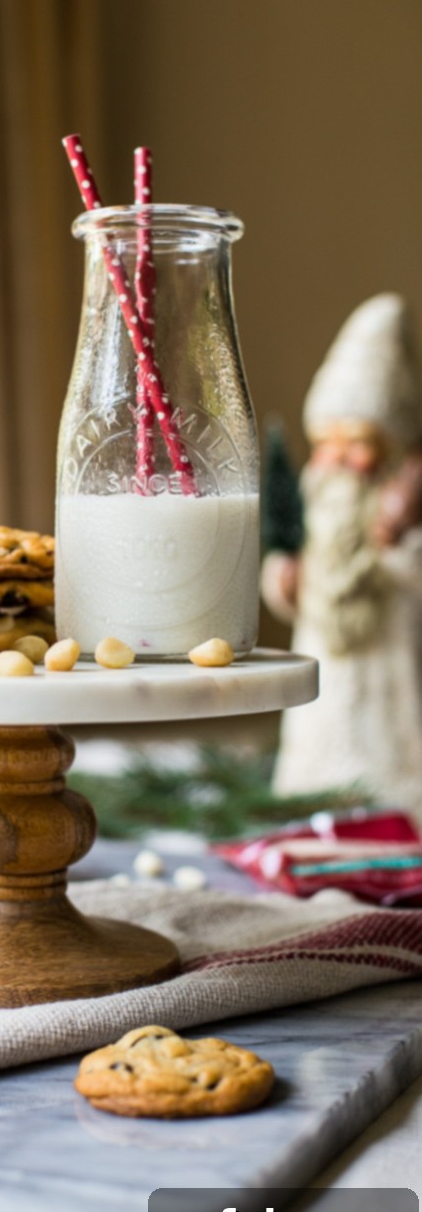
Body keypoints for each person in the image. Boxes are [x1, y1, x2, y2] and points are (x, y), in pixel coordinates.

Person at [262, 294, 422, 819]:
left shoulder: (397, 508)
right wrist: (284, 580)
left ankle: (395, 804)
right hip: (326, 649)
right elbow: (295, 564)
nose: (339, 458)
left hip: (391, 657)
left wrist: (397, 543)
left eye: (357, 442)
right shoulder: (317, 493)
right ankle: (315, 795)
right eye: (328, 441)